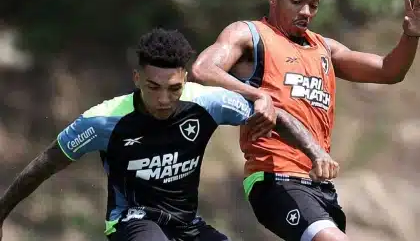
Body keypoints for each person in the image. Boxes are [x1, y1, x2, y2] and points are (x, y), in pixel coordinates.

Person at [0, 28, 331, 241]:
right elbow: (46, 163)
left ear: (185, 79)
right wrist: (2, 211)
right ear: (136, 78)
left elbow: (275, 113)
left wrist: (315, 151)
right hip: (133, 223)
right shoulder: (102, 121)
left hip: (187, 224)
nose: (163, 99)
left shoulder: (206, 101)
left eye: (173, 88)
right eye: (153, 87)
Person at [191, 0, 420, 241]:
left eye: (314, 5)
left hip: (319, 184)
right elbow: (203, 69)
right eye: (296, 1)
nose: (306, 12)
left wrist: (410, 36)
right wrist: (257, 94)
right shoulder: (250, 35)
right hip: (274, 178)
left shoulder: (325, 48)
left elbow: (389, 71)